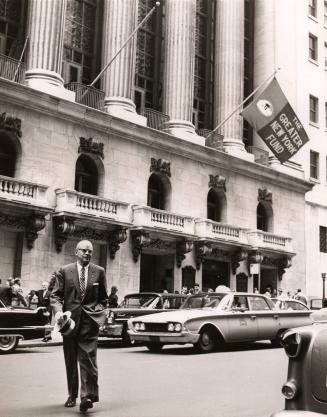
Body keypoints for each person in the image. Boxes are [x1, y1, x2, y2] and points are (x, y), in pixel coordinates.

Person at [50, 240, 108, 412]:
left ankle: (86, 397)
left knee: (88, 359)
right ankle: (72, 395)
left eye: (90, 251)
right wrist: (59, 312)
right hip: (69, 323)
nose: (88, 254)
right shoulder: (65, 271)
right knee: (70, 359)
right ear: (76, 252)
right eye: (84, 251)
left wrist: (97, 314)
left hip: (89, 324)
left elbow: (103, 299)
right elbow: (56, 296)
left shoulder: (99, 272)